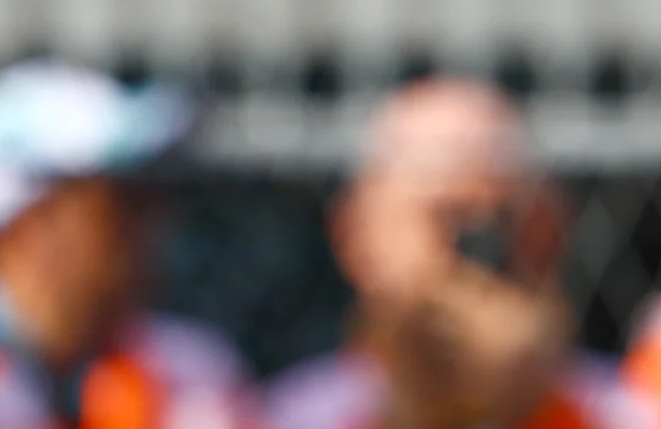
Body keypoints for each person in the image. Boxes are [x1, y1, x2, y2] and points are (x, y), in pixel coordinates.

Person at [0, 60, 256, 429]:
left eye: (150, 198)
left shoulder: (196, 376)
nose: (154, 222)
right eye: (124, 201)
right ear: (31, 221)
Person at [272, 80, 645, 429]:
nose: (477, 254)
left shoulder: (616, 413)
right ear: (359, 235)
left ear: (551, 232)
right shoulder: (301, 416)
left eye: (502, 216)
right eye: (446, 217)